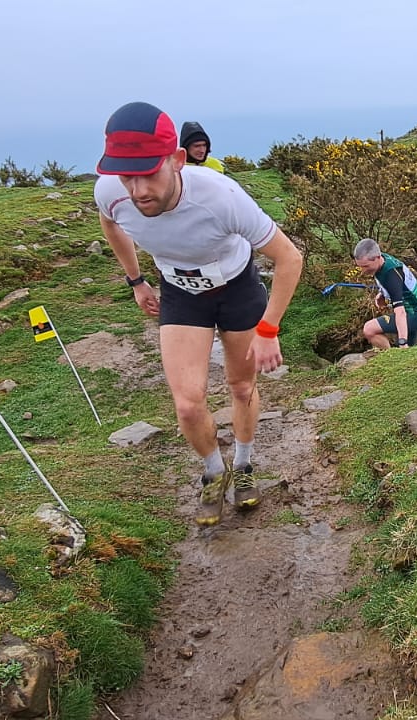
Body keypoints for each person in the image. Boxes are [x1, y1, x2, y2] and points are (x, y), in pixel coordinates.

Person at [95, 102, 303, 527]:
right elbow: (111, 223)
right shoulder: (110, 192)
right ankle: (212, 470)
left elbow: (289, 257)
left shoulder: (221, 197)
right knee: (188, 405)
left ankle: (243, 465)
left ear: (176, 160)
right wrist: (136, 281)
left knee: (241, 387)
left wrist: (268, 327)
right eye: (126, 175)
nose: (137, 191)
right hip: (181, 293)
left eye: (149, 173)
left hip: (236, 287)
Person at [353, 238, 417, 349]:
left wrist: (402, 342)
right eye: (360, 266)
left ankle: (390, 355)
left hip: (414, 313)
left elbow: (401, 312)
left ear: (377, 258)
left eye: (365, 266)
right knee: (410, 353)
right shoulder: (383, 260)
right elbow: (401, 284)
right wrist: (383, 293)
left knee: (369, 329)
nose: (362, 271)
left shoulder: (391, 275)